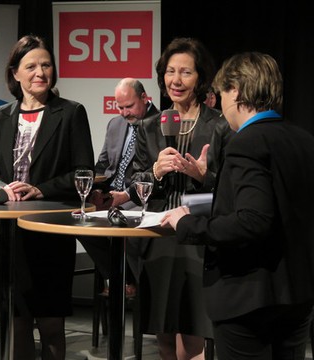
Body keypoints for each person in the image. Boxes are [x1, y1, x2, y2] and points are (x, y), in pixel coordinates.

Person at [161, 52, 314, 360]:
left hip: (250, 298)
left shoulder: (246, 142)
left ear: (237, 91)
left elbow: (252, 220)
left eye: (222, 92)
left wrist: (186, 223)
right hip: (297, 294)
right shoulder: (303, 139)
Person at [113, 37, 233, 359]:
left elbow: (232, 188)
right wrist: (154, 171)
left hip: (198, 237)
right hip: (158, 235)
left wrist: (201, 176)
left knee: (192, 339)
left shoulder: (219, 125)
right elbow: (132, 183)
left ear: (201, 78)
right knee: (163, 337)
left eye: (186, 73)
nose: (176, 80)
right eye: (170, 72)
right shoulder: (150, 125)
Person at [0, 34, 94, 359]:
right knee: (16, 322)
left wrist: (40, 189)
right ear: (15, 73)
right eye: (31, 66)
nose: (40, 72)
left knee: (51, 323)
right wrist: (0, 189)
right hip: (5, 234)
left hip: (51, 232)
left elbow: (83, 172)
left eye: (46, 65)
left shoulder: (71, 113)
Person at [78, 77, 160, 295]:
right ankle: (118, 276)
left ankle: (126, 282)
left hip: (140, 197)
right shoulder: (115, 124)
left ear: (144, 98)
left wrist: (124, 195)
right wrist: (96, 190)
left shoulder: (159, 125)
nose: (124, 113)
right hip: (111, 194)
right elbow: (103, 165)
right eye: (120, 107)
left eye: (129, 106)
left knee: (120, 223)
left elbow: (153, 175)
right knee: (79, 220)